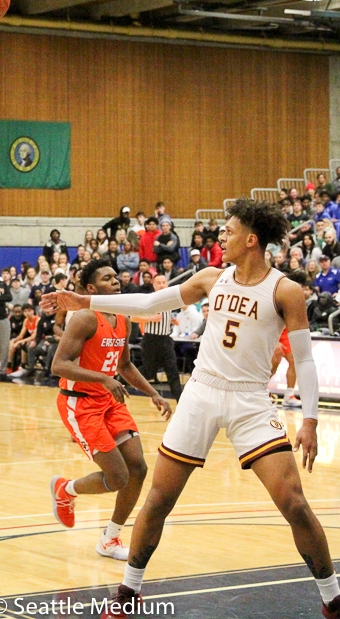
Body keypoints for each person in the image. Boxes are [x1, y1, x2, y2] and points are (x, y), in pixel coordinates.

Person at [41, 199, 340, 619]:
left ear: (251, 240)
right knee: (159, 498)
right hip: (201, 393)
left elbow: (305, 361)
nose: (221, 235)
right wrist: (84, 301)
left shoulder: (284, 290)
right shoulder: (210, 278)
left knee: (293, 502)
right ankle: (127, 593)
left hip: (251, 400)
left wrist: (309, 419)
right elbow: (149, 305)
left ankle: (332, 598)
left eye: (229, 230)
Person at [49, 259, 171, 560]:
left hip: (108, 400)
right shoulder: (84, 318)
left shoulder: (122, 317)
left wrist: (153, 393)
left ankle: (110, 538)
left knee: (138, 468)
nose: (116, 281)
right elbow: (58, 365)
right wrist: (103, 378)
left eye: (116, 276)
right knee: (117, 477)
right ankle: (66, 490)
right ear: (91, 288)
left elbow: (125, 365)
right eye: (107, 278)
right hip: (79, 403)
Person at [140, 274, 183, 401]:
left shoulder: (169, 301)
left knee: (173, 372)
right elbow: (133, 317)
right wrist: (151, 318)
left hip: (166, 340)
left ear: (167, 284)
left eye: (164, 282)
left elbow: (163, 318)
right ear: (154, 285)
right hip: (151, 340)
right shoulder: (149, 299)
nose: (161, 285)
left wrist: (171, 321)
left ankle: (181, 402)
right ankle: (122, 378)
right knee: (149, 373)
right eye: (158, 283)